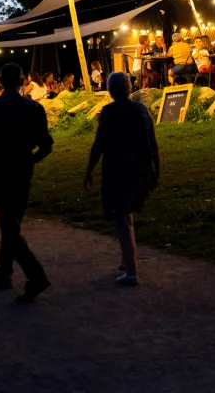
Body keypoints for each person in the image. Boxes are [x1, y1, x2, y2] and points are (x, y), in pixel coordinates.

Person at [0, 62, 53, 302]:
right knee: (12, 222)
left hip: (0, 166)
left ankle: (35, 275)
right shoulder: (34, 108)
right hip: (23, 167)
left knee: (8, 222)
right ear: (23, 81)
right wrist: (30, 160)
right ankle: (4, 273)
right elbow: (46, 146)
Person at [84, 72, 159, 286]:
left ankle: (132, 272)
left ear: (110, 90)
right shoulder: (141, 110)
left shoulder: (109, 111)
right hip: (140, 168)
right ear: (128, 88)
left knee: (123, 218)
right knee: (127, 215)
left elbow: (99, 144)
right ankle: (127, 260)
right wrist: (156, 170)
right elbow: (153, 143)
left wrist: (89, 170)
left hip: (119, 169)